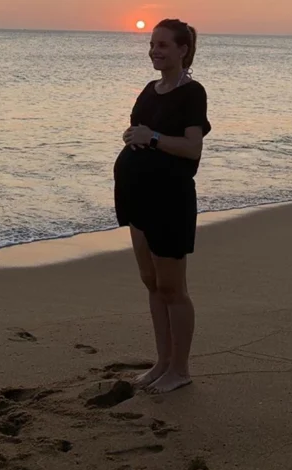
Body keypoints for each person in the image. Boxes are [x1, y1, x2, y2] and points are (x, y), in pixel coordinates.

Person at [113, 19, 212, 394]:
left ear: (183, 50)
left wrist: (151, 137)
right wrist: (133, 136)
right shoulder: (149, 90)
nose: (154, 51)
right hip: (137, 197)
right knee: (152, 283)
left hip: (170, 200)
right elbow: (139, 131)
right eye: (152, 44)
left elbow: (192, 148)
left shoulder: (192, 93)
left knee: (172, 288)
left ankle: (180, 369)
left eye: (163, 45)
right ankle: (162, 362)